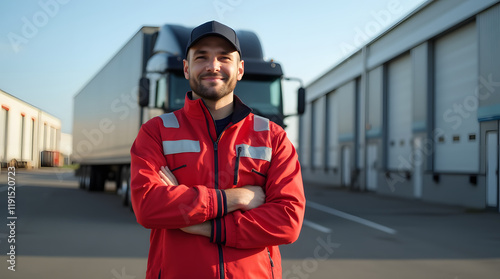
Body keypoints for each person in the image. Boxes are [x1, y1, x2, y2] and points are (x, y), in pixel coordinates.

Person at [130, 20, 305, 279]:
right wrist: (236, 198)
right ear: (187, 68)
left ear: (240, 69)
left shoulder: (273, 137)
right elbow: (148, 207)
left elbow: (287, 222)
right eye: (202, 57)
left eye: (224, 57)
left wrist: (205, 227)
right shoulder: (156, 132)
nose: (213, 66)